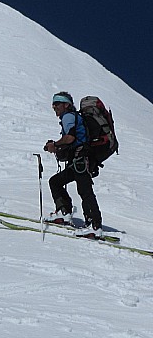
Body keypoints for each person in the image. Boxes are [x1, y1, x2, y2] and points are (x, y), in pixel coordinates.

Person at [43, 91, 103, 238]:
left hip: (81, 160)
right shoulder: (72, 117)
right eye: (53, 104)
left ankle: (94, 225)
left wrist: (55, 145)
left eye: (57, 103)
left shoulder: (68, 116)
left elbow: (70, 138)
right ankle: (64, 213)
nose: (54, 107)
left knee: (85, 191)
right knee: (56, 182)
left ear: (66, 105)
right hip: (78, 161)